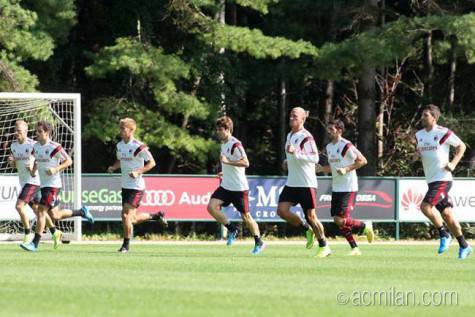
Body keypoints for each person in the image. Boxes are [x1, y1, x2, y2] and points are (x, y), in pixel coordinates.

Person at [20, 121, 94, 252]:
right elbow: (37, 159)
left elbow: (69, 161)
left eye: (40, 131)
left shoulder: (55, 147)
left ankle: (34, 243)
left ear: (47, 132)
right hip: (44, 185)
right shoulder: (36, 146)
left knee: (41, 211)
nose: (37, 134)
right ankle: (82, 212)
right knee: (55, 215)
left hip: (53, 185)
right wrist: (33, 170)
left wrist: (56, 169)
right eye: (36, 131)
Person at [415, 104, 472, 259]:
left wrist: (453, 163)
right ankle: (464, 245)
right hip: (431, 180)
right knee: (447, 214)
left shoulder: (442, 132)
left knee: (425, 206)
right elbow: (423, 152)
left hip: (443, 179)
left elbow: (461, 146)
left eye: (426, 115)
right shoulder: (419, 135)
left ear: (434, 117)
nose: (423, 117)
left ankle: (444, 234)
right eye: (422, 114)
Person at [277, 107, 331, 258]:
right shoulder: (290, 135)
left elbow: (315, 158)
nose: (291, 117)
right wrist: (287, 161)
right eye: (290, 115)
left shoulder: (306, 137)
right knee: (282, 211)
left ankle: (324, 246)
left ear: (302, 119)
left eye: (295, 116)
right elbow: (293, 155)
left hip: (306, 183)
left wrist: (297, 153)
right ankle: (307, 229)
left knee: (311, 216)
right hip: (292, 182)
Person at [107, 118, 167, 253]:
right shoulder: (120, 145)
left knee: (126, 216)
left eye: (123, 129)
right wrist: (113, 167)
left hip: (137, 186)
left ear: (131, 130)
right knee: (130, 218)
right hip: (125, 185)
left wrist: (138, 171)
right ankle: (155, 216)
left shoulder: (139, 146)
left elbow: (152, 163)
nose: (121, 131)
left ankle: (126, 245)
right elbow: (120, 160)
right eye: (120, 128)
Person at [207, 116, 265, 255]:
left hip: (239, 188)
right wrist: (224, 171)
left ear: (227, 129)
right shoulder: (223, 144)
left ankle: (259, 241)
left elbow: (246, 163)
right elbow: (229, 163)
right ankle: (232, 229)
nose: (217, 132)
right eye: (216, 129)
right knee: (211, 207)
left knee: (246, 217)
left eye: (220, 129)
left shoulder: (236, 144)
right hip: (226, 186)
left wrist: (227, 163)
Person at [317, 120, 374, 256]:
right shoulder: (330, 147)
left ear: (339, 131)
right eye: (328, 129)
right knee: (340, 221)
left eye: (331, 129)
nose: (328, 131)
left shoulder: (346, 145)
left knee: (339, 220)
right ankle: (355, 248)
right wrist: (321, 169)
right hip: (336, 187)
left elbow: (363, 160)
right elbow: (333, 167)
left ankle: (365, 226)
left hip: (348, 187)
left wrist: (347, 169)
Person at [9, 120, 57, 244]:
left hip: (33, 181)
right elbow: (15, 164)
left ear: (25, 131)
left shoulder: (32, 145)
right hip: (24, 182)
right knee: (38, 210)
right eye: (15, 130)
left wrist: (34, 166)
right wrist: (12, 162)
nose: (16, 133)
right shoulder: (13, 146)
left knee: (19, 206)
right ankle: (55, 232)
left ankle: (27, 234)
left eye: (19, 131)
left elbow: (40, 157)